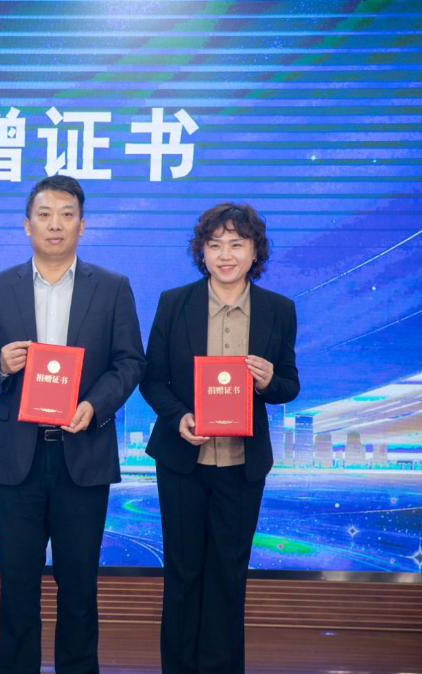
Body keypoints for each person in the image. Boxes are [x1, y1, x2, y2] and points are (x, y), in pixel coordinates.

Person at [0, 175, 145, 674]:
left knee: (79, 587)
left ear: (82, 225)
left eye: (67, 214)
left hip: (82, 455)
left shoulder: (112, 287)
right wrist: (0, 365)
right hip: (14, 459)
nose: (55, 224)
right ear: (27, 225)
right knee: (17, 588)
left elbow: (131, 361)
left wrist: (95, 405)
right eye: (44, 214)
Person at [140, 203, 300, 674]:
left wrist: (269, 381)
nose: (225, 255)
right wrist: (179, 418)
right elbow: (152, 379)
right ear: (202, 253)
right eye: (215, 245)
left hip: (241, 465)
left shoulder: (278, 310)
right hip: (182, 462)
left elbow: (289, 384)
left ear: (255, 252)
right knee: (183, 574)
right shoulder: (175, 303)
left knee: (229, 577)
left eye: (236, 244)